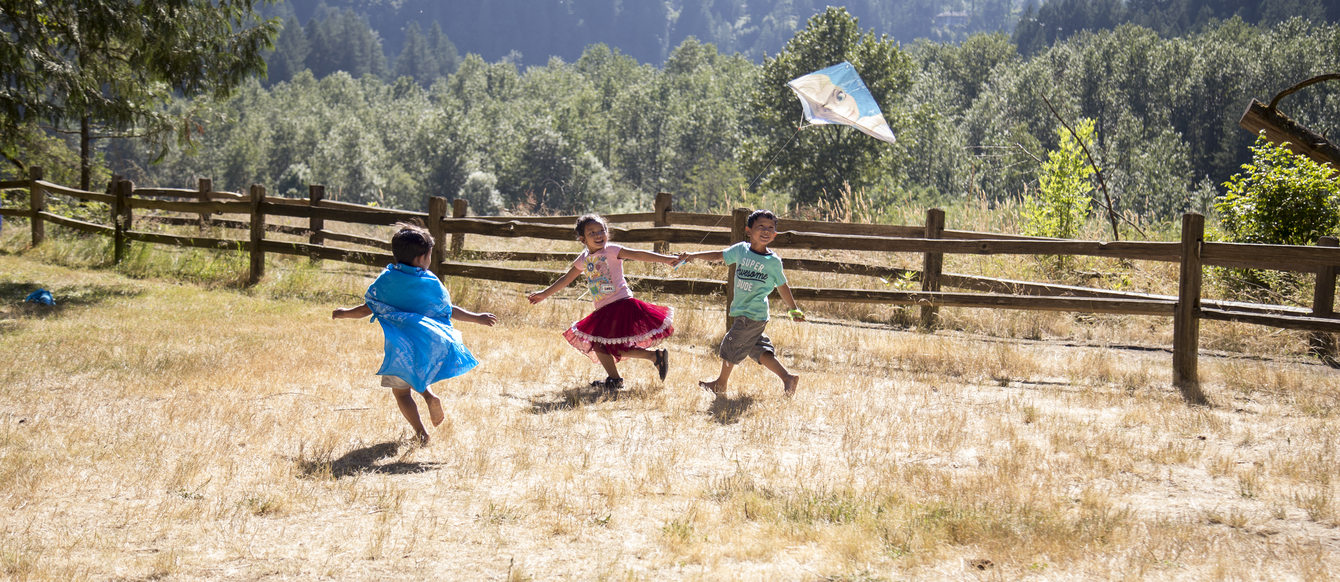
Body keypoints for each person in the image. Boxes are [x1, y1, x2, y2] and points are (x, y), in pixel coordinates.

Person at [333, 223, 497, 446]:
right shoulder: (429, 282)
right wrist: (477, 317)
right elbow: (448, 309)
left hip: (399, 350)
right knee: (418, 372)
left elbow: (367, 308)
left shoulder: (386, 280)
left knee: (401, 394)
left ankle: (422, 433)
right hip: (426, 347)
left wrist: (344, 313)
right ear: (422, 258)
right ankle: (429, 396)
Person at [528, 214, 677, 392]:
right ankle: (652, 358)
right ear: (582, 239)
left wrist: (666, 259)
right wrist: (544, 294)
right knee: (605, 346)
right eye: (592, 233)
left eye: (602, 231)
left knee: (604, 345)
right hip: (604, 309)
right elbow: (566, 279)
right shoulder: (583, 259)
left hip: (621, 304)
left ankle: (619, 377)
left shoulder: (612, 250)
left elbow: (639, 255)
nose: (599, 235)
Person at [675, 209, 803, 397]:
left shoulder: (773, 262)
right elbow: (719, 255)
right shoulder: (741, 250)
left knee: (730, 345)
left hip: (752, 315)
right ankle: (788, 378)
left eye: (770, 228)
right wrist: (693, 256)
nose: (766, 231)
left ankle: (720, 384)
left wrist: (793, 309)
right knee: (757, 349)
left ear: (775, 235)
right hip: (744, 313)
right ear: (748, 230)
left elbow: (783, 286)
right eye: (761, 227)